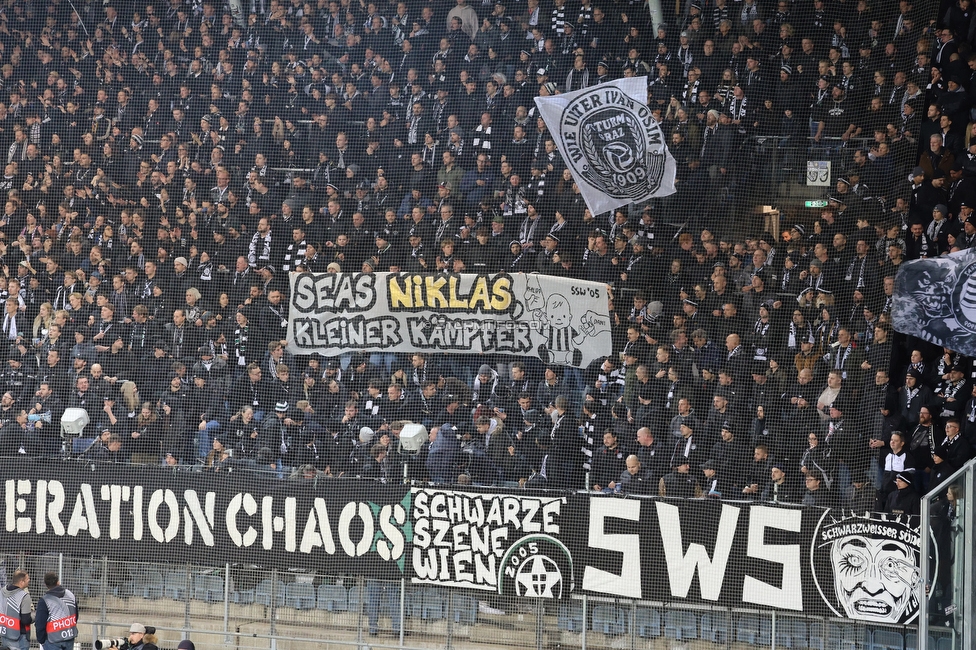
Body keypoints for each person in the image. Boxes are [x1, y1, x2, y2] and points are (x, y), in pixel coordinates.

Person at [35, 573, 78, 650]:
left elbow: (40, 623)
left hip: (52, 640)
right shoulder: (70, 594)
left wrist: (41, 640)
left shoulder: (45, 600)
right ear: (58, 582)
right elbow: (75, 615)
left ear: (45, 584)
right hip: (69, 636)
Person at [0, 569, 32, 650]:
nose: (29, 580)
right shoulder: (24, 596)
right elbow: (26, 620)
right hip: (20, 637)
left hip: (5, 632)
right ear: (21, 582)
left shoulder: (2, 591)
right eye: (27, 579)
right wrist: (35, 615)